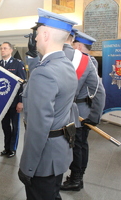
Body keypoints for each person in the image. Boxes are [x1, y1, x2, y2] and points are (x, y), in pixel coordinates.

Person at [18, 8, 78, 200]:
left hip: (42, 161)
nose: (34, 39)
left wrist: (27, 167)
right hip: (59, 152)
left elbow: (38, 127)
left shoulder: (44, 73)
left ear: (45, 34)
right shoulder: (66, 64)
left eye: (36, 35)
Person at [60, 29, 106, 192]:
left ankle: (77, 179)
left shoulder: (88, 61)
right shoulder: (88, 60)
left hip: (80, 111)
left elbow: (99, 91)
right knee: (77, 145)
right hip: (77, 110)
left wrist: (94, 116)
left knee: (78, 146)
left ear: (77, 46)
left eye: (73, 44)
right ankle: (75, 177)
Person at [0, 42, 26, 158]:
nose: (2, 50)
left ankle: (13, 148)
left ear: (11, 50)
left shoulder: (18, 64)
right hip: (3, 103)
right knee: (5, 126)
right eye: (1, 48)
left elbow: (23, 84)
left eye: (5, 48)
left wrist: (21, 101)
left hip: (14, 102)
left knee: (14, 126)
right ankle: (6, 147)